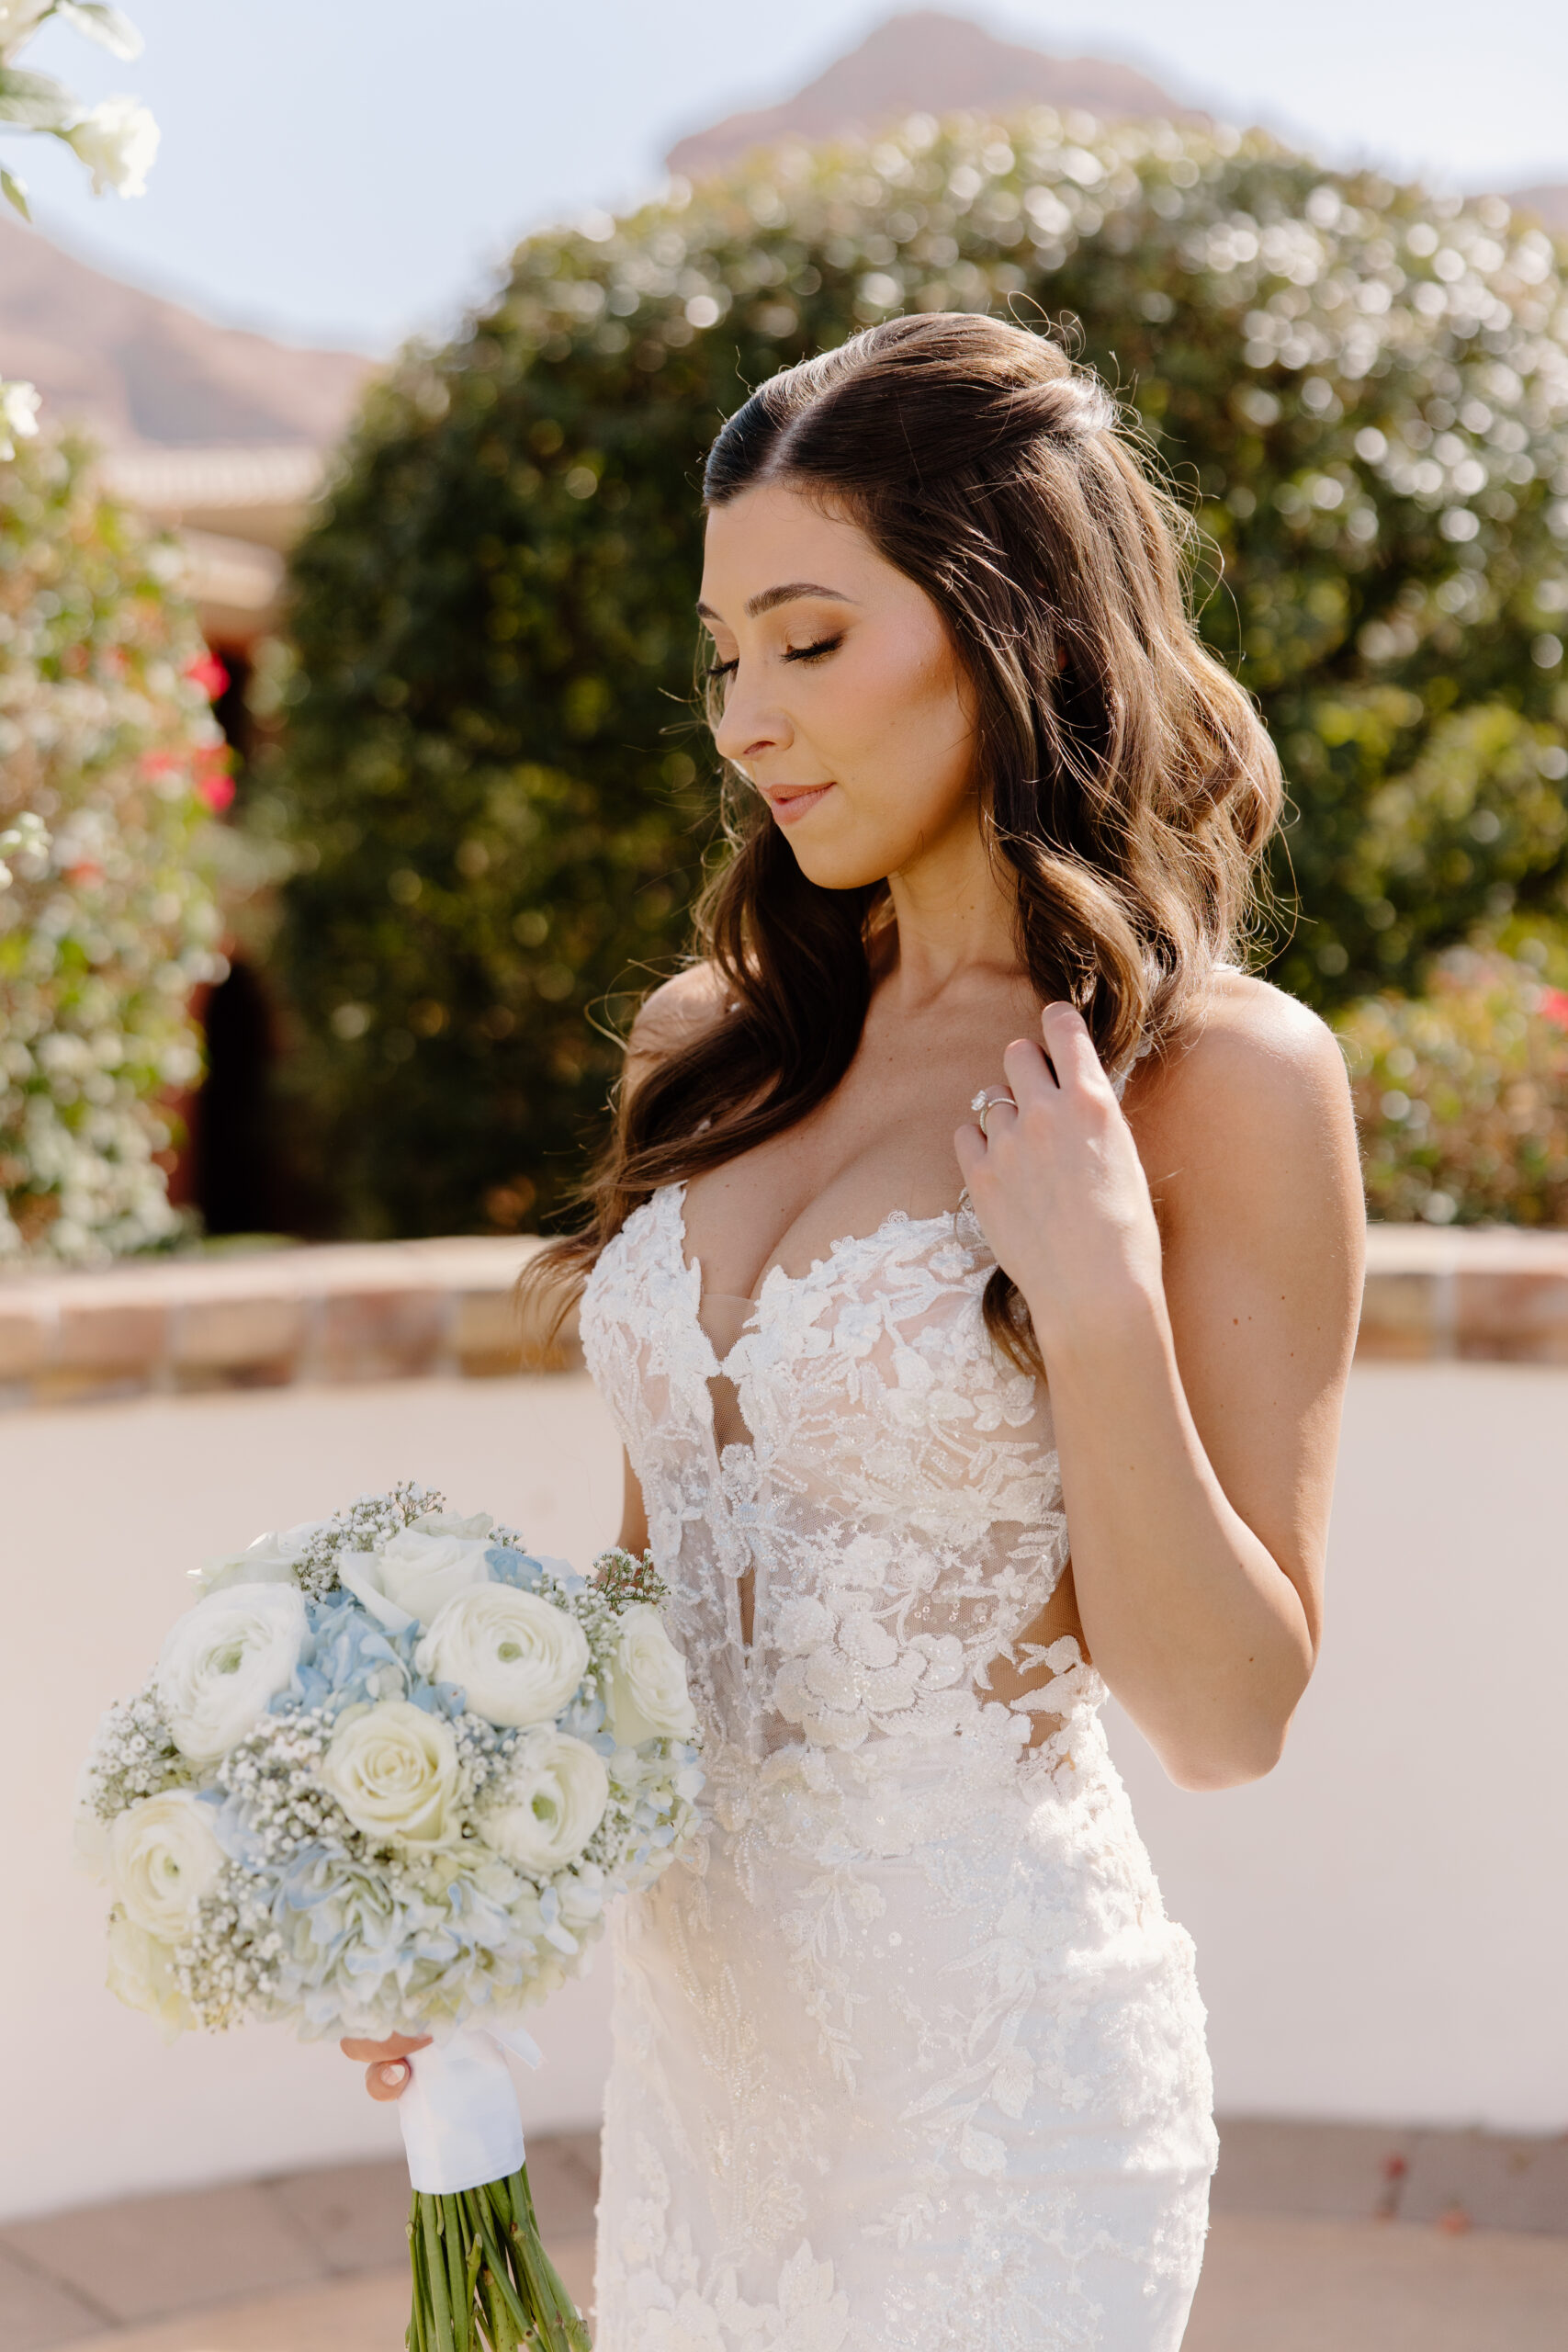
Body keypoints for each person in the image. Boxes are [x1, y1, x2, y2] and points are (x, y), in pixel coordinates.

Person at [346, 311, 1364, 2349]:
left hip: (1001, 2123)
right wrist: (445, 1880)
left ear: (1006, 627)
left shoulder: (1216, 1081)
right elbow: (658, 1598)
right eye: (725, 655)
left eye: (808, 641)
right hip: (707, 2100)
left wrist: (1097, 1303)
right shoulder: (706, 1047)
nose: (746, 717)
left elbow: (1226, 1717)